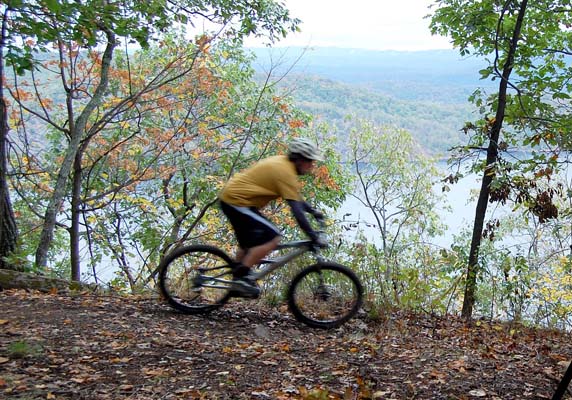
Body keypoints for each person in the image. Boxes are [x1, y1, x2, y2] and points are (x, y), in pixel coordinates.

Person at [218, 138, 326, 298]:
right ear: (299, 159)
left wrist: (313, 211)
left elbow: (296, 198)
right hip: (237, 202)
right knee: (273, 237)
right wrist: (313, 236)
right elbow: (297, 212)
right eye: (310, 161)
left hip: (234, 200)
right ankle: (242, 278)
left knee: (248, 244)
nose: (312, 166)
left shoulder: (284, 165)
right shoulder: (285, 172)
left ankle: (238, 280)